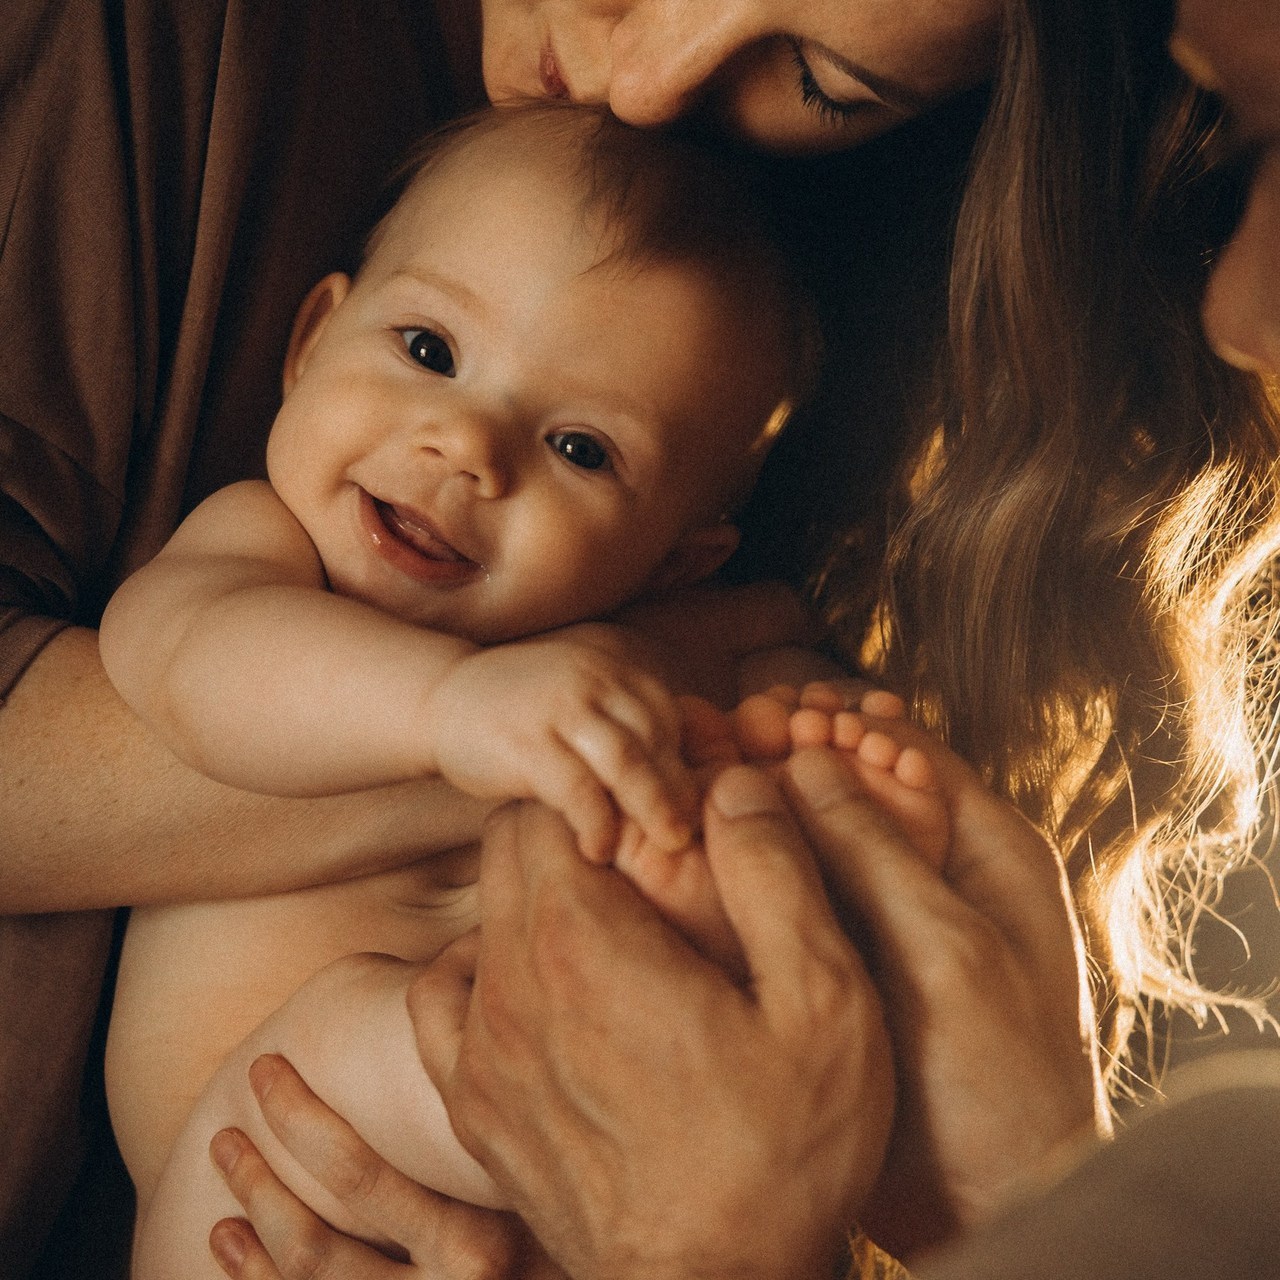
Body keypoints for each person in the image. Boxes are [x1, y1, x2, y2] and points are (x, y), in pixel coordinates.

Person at [2, 0, 1277, 1274]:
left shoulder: (632, 638)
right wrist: (454, 710)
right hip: (254, 1163)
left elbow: (747, 713)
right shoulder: (264, 546)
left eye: (580, 448)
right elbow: (183, 662)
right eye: (427, 349)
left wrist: (819, 760)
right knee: (411, 1026)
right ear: (309, 340)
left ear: (677, 555)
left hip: (567, 1201)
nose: (467, 446)